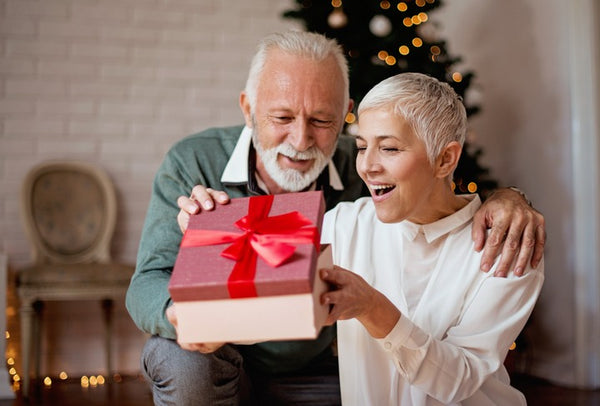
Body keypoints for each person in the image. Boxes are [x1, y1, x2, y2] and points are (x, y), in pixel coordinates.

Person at [126, 31, 545, 405]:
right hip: (229, 358)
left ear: (343, 115)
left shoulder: (361, 174)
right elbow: (261, 263)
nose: (302, 139)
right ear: (248, 108)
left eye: (322, 121)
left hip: (323, 363)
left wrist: (510, 197)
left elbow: (436, 188)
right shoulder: (344, 217)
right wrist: (210, 237)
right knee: (178, 358)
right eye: (282, 117)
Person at [319, 72, 544, 405]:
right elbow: (261, 274)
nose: (367, 166)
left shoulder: (508, 246)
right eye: (362, 146)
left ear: (445, 159)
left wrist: (371, 307)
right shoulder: (344, 225)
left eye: (389, 148)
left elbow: (460, 379)